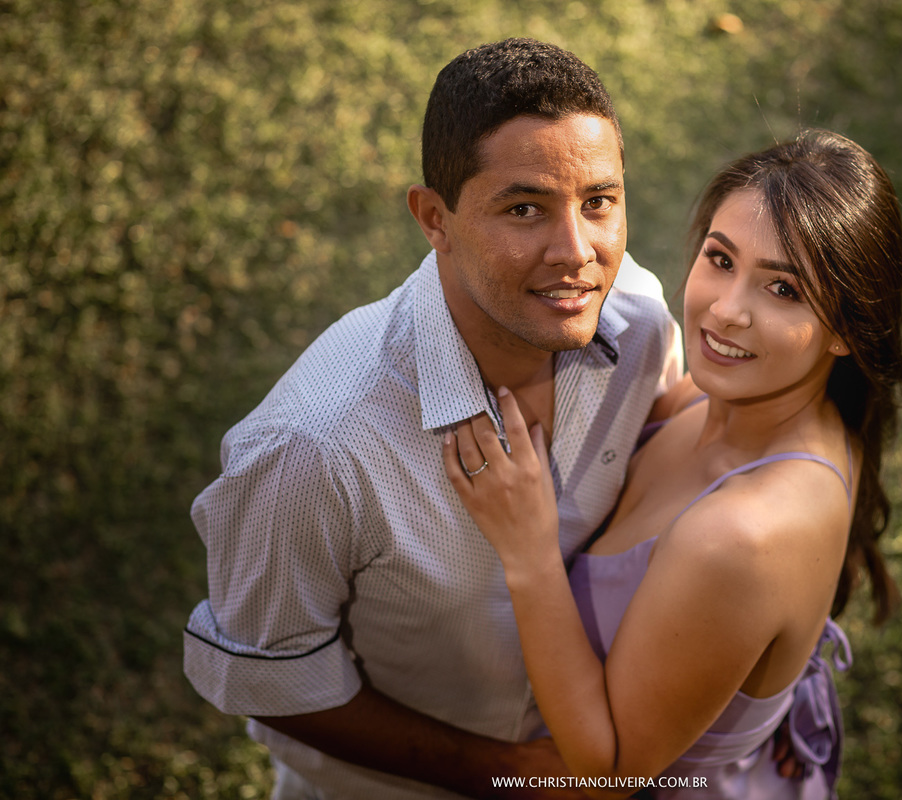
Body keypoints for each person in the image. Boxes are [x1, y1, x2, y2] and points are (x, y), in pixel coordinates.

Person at [183, 38, 685, 799]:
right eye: (525, 208)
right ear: (433, 218)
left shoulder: (642, 322)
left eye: (599, 202)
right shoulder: (313, 448)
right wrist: (517, 778)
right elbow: (272, 678)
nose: (577, 253)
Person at [443, 129, 902, 799]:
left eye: (783, 290)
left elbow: (610, 776)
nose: (726, 311)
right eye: (721, 259)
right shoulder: (735, 403)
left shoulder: (737, 538)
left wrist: (530, 554)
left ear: (845, 329)